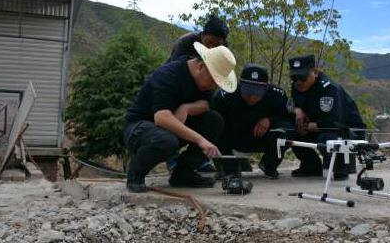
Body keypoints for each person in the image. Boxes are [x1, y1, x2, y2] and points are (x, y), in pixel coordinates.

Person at [124, 42, 237, 192]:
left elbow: (206, 104)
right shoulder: (168, 75)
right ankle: (136, 174)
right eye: (213, 81)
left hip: (173, 127)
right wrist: (200, 140)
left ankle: (183, 173)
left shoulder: (205, 82)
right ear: (201, 67)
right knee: (166, 141)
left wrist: (187, 108)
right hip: (141, 128)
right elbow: (162, 118)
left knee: (214, 120)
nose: (213, 87)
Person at [166, 14, 229, 172]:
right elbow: (174, 75)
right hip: (177, 92)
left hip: (201, 95)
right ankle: (171, 157)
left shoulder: (223, 53)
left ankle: (196, 159)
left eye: (217, 45)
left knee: (215, 116)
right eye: (208, 43)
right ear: (202, 36)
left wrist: (192, 106)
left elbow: (215, 86)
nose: (211, 48)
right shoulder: (186, 43)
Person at [287, 54, 366, 180]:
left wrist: (310, 126)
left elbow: (335, 122)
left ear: (315, 72)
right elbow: (291, 104)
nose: (298, 81)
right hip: (317, 126)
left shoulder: (329, 89)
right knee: (290, 129)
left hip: (344, 130)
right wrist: (297, 110)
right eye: (294, 77)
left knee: (329, 136)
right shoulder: (296, 87)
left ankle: (340, 168)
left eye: (302, 77)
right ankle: (311, 166)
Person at [213, 64, 294, 179]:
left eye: (256, 93)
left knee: (287, 128)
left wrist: (269, 120)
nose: (251, 97)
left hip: (263, 139)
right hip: (234, 137)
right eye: (247, 92)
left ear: (266, 88)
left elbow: (288, 117)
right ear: (240, 84)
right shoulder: (225, 95)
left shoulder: (277, 95)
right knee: (216, 122)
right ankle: (229, 168)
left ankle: (269, 164)